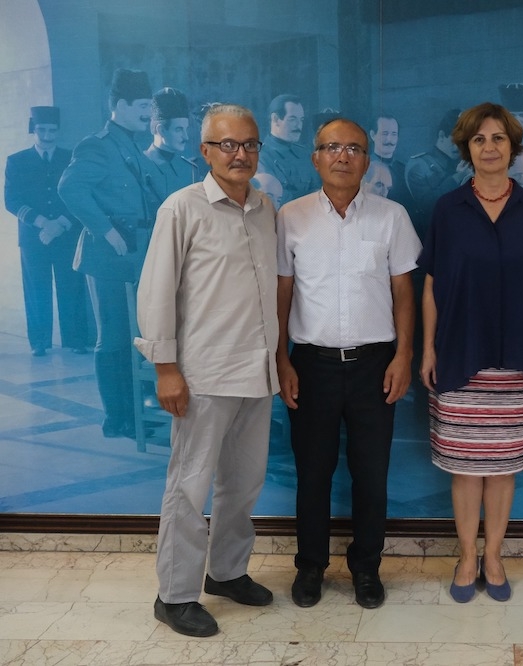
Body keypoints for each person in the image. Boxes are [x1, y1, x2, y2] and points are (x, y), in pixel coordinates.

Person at [135, 103, 278, 637]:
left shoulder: (265, 207)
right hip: (203, 374)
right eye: (227, 144)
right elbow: (156, 291)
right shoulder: (182, 208)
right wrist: (166, 369)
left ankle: (227, 571)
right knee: (189, 487)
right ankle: (174, 596)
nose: (240, 154)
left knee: (244, 483)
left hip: (257, 371)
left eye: (249, 144)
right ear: (205, 151)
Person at [418, 102, 523, 603]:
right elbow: (431, 285)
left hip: (520, 358)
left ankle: (495, 556)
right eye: (479, 139)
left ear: (513, 146)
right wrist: (427, 349)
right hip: (460, 355)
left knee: (503, 468)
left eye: (498, 138)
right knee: (466, 466)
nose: (489, 147)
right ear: (467, 148)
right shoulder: (448, 210)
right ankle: (466, 557)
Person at [277, 118, 420, 610]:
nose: (343, 156)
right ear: (315, 157)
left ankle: (366, 567)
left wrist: (403, 355)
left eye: (354, 149)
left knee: (371, 473)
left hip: (374, 366)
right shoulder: (291, 217)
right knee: (312, 473)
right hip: (310, 365)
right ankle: (310, 566)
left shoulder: (391, 216)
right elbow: (283, 292)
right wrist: (281, 358)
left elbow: (404, 292)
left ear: (367, 160)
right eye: (332, 147)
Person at [58, 68, 160, 439]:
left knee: (134, 337)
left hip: (134, 253)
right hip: (108, 256)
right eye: (142, 106)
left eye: (149, 106)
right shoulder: (98, 145)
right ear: (119, 105)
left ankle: (134, 412)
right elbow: (70, 188)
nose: (147, 113)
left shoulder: (130, 145)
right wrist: (106, 230)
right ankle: (117, 419)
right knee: (114, 337)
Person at [5, 105, 89, 357]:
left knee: (71, 287)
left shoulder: (71, 158)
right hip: (34, 238)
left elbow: (79, 194)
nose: (47, 135)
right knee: (36, 289)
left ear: (58, 131)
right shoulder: (16, 161)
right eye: (42, 130)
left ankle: (76, 340)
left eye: (52, 130)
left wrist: (61, 223)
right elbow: (11, 200)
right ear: (33, 129)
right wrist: (43, 223)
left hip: (66, 234)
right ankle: (39, 342)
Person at [404, 109, 468, 239]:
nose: (460, 147)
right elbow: (428, 206)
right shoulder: (419, 166)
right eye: (456, 140)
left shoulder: (465, 164)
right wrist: (458, 178)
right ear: (441, 135)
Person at [258, 94, 320, 205]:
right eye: (292, 119)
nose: (299, 126)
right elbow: (275, 197)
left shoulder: (305, 154)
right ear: (275, 119)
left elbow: (319, 190)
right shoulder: (260, 157)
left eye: (301, 120)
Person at [145, 87, 199, 199]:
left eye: (186, 129)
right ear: (161, 130)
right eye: (178, 129)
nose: (186, 137)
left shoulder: (190, 170)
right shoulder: (139, 166)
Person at [368, 113, 412, 208]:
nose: (389, 140)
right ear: (372, 135)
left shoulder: (403, 169)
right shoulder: (364, 167)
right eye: (384, 134)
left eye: (394, 134)